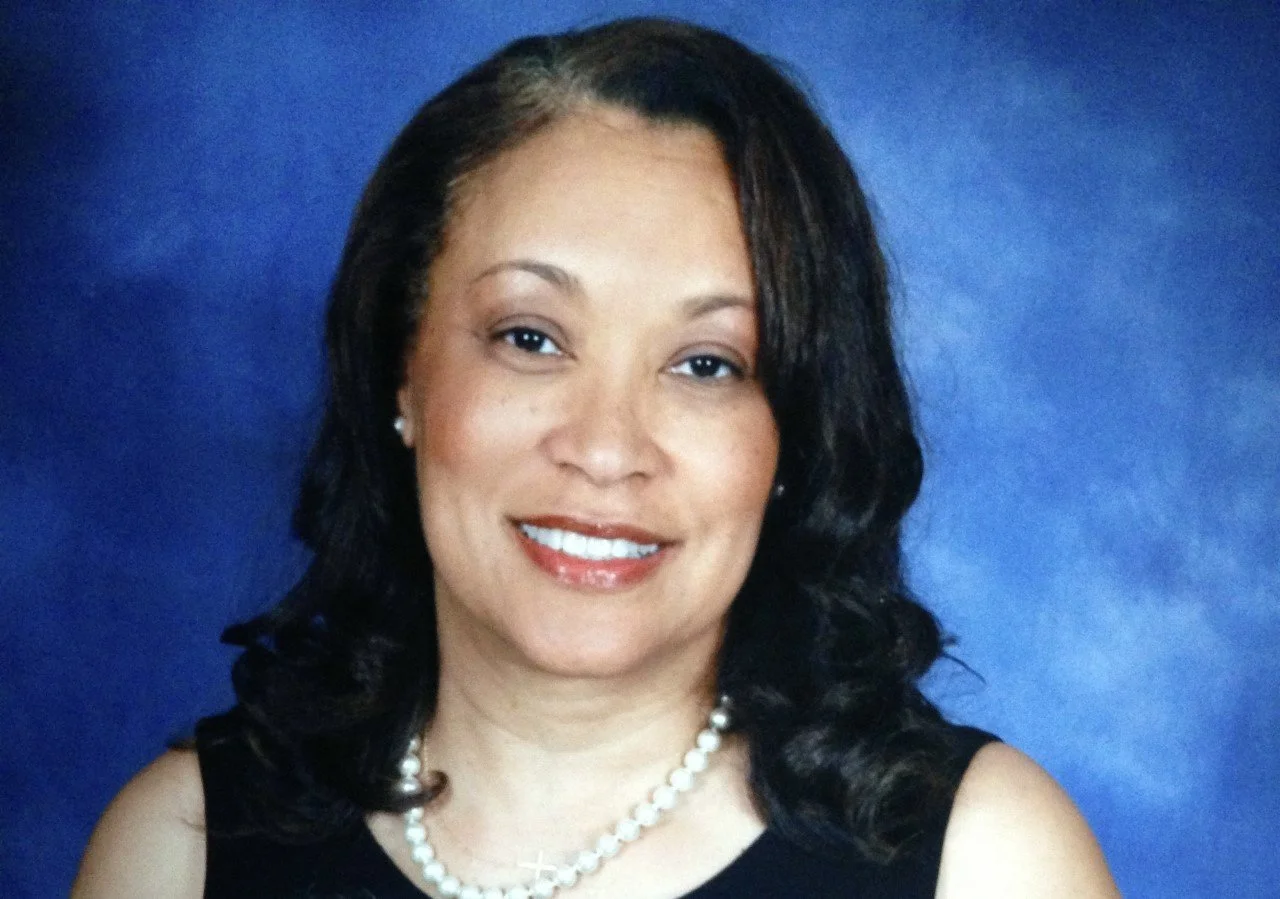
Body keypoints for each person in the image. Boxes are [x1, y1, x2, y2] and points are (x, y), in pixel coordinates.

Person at [73, 17, 1119, 899]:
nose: (606, 447)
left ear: (793, 435)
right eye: (530, 338)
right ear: (403, 373)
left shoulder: (988, 859)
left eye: (707, 363)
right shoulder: (181, 849)